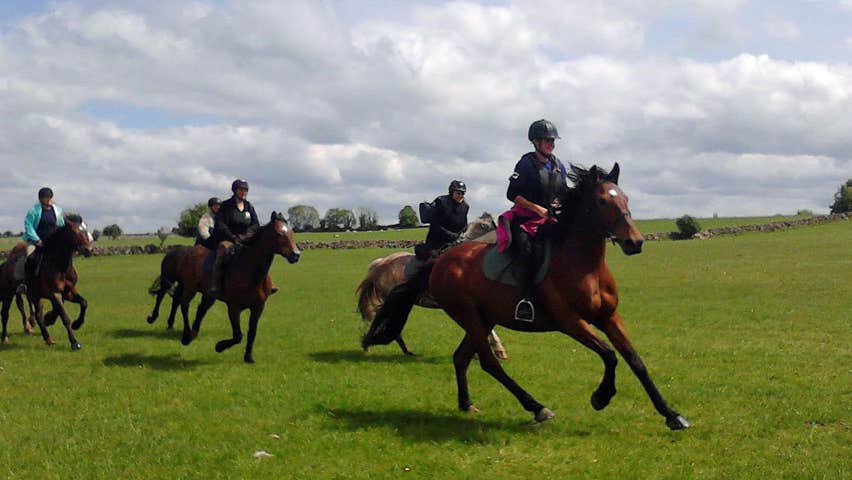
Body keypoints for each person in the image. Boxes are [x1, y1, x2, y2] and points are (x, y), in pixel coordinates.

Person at [504, 119, 573, 322]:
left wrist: (560, 205)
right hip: (525, 220)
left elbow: (563, 193)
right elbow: (512, 194)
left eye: (553, 140)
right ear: (535, 142)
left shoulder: (558, 165)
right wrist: (537, 208)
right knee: (527, 252)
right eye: (547, 140)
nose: (551, 144)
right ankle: (524, 300)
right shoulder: (525, 164)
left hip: (550, 220)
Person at [207, 179, 259, 295]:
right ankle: (215, 284)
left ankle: (264, 284)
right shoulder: (226, 206)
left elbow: (256, 224)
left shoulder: (248, 206)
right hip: (227, 239)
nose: (244, 192)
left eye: (246, 190)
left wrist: (247, 234)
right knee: (223, 251)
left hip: (245, 239)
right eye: (241, 189)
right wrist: (232, 237)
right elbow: (220, 224)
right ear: (235, 190)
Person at [15, 187, 66, 293]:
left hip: (52, 242)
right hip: (36, 241)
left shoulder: (57, 210)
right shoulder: (34, 211)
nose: (49, 200)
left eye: (50, 197)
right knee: (30, 256)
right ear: (41, 199)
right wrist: (37, 240)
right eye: (46, 198)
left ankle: (66, 279)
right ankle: (25, 283)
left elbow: (61, 224)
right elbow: (28, 225)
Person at [417, 180, 470, 261]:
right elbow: (435, 225)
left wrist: (462, 235)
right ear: (452, 192)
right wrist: (451, 235)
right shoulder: (441, 202)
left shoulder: (465, 206)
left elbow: (464, 225)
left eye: (463, 193)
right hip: (437, 242)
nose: (460, 196)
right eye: (458, 193)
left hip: (455, 242)